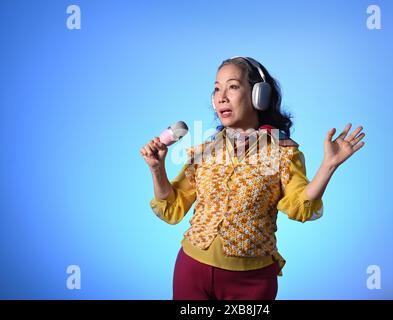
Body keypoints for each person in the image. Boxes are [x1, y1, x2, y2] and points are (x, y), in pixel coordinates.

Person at [140, 56, 365, 300]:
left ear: (259, 95)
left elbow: (301, 206)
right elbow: (172, 205)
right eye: (216, 89)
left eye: (233, 86)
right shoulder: (204, 151)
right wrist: (157, 168)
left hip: (251, 282)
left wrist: (328, 166)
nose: (221, 96)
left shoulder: (284, 153)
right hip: (191, 270)